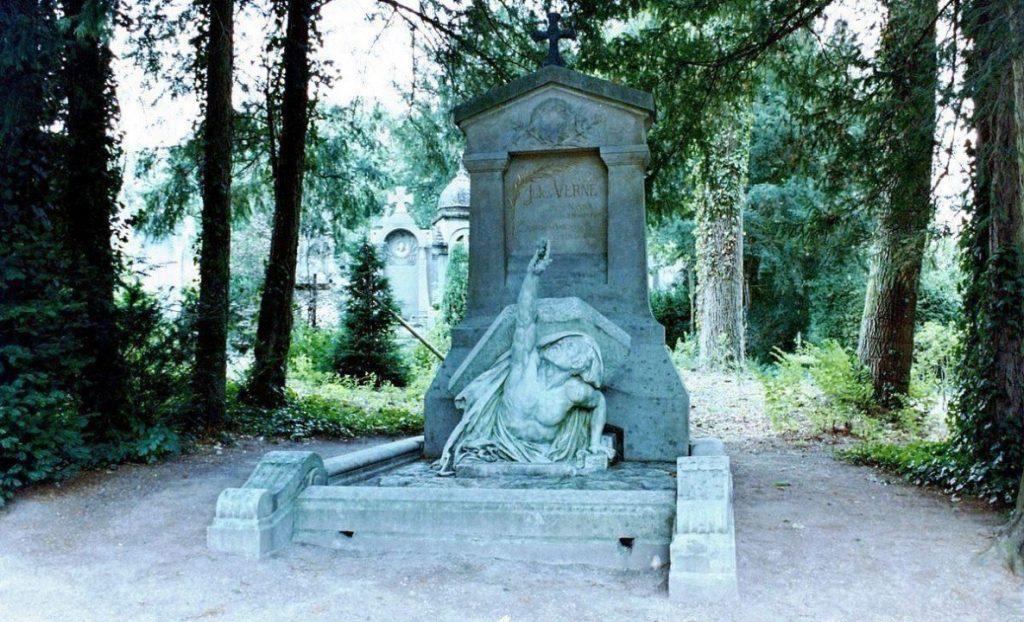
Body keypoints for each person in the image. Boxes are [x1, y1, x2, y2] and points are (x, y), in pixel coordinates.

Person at [436, 239, 615, 476]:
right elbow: (524, 321)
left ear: (578, 364)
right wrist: (532, 277)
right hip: (500, 445)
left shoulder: (573, 391)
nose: (559, 342)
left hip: (544, 456)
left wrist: (593, 443)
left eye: (569, 345)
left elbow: (599, 401)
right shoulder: (526, 366)